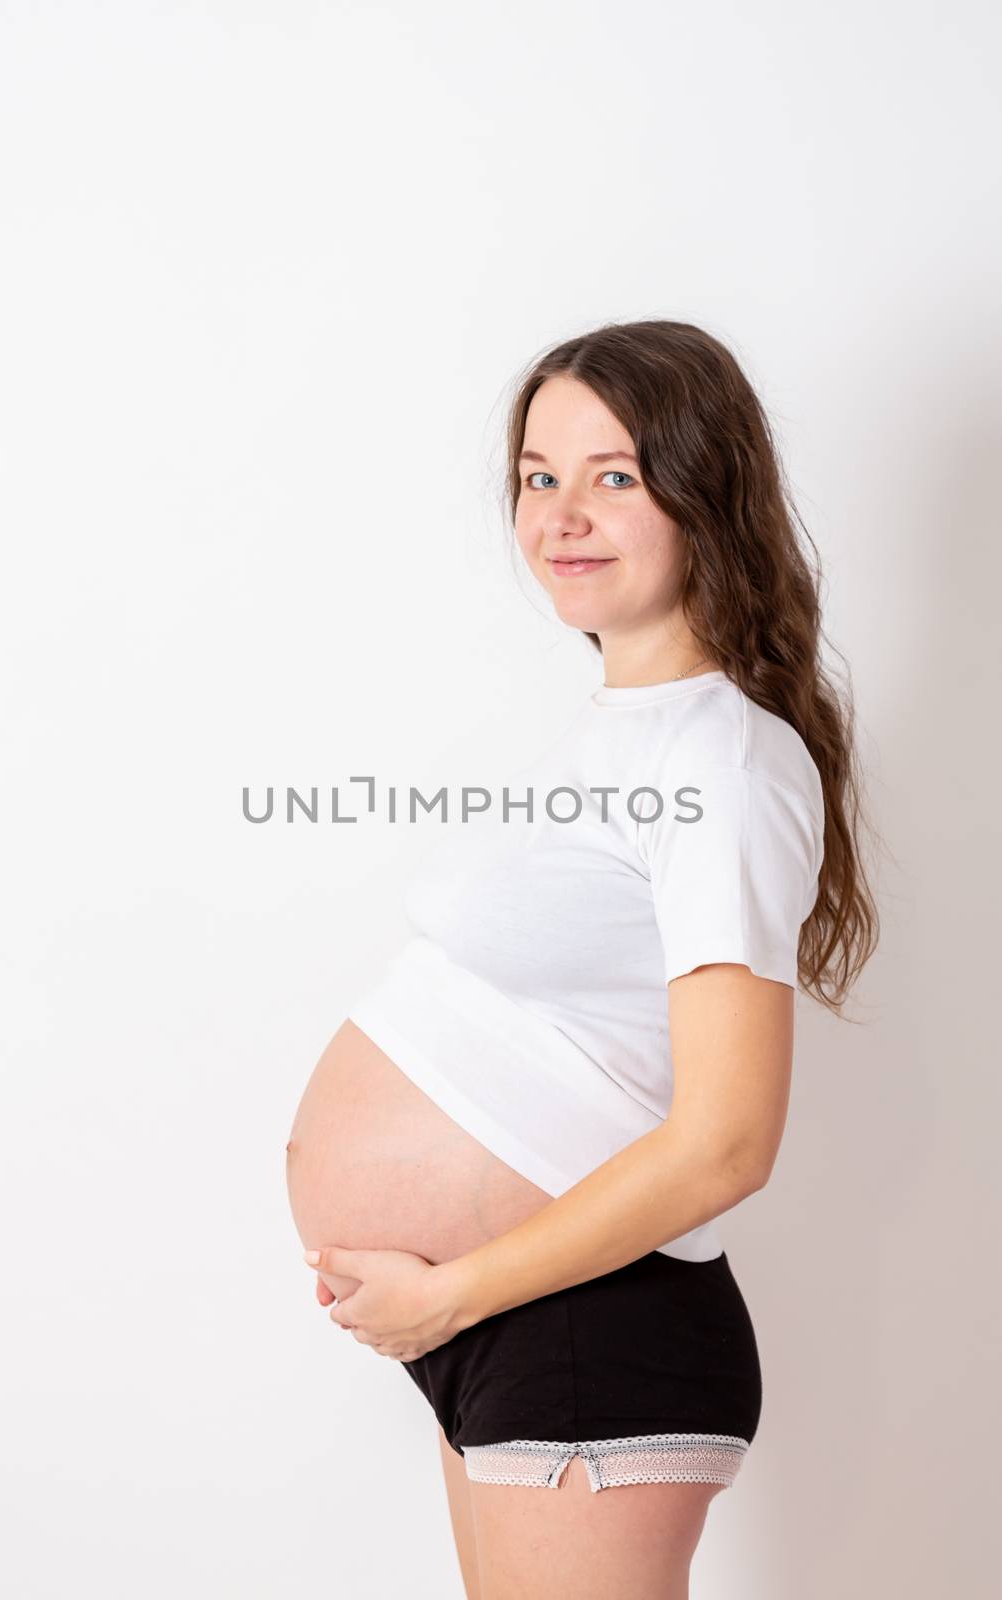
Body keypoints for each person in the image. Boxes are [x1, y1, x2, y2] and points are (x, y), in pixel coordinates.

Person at [300, 319, 879, 1599]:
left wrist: (450, 1294)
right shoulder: (623, 735)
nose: (562, 513)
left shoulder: (718, 756)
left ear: (704, 490)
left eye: (613, 475)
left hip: (582, 1328)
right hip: (518, 1324)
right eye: (536, 476)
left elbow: (727, 1140)